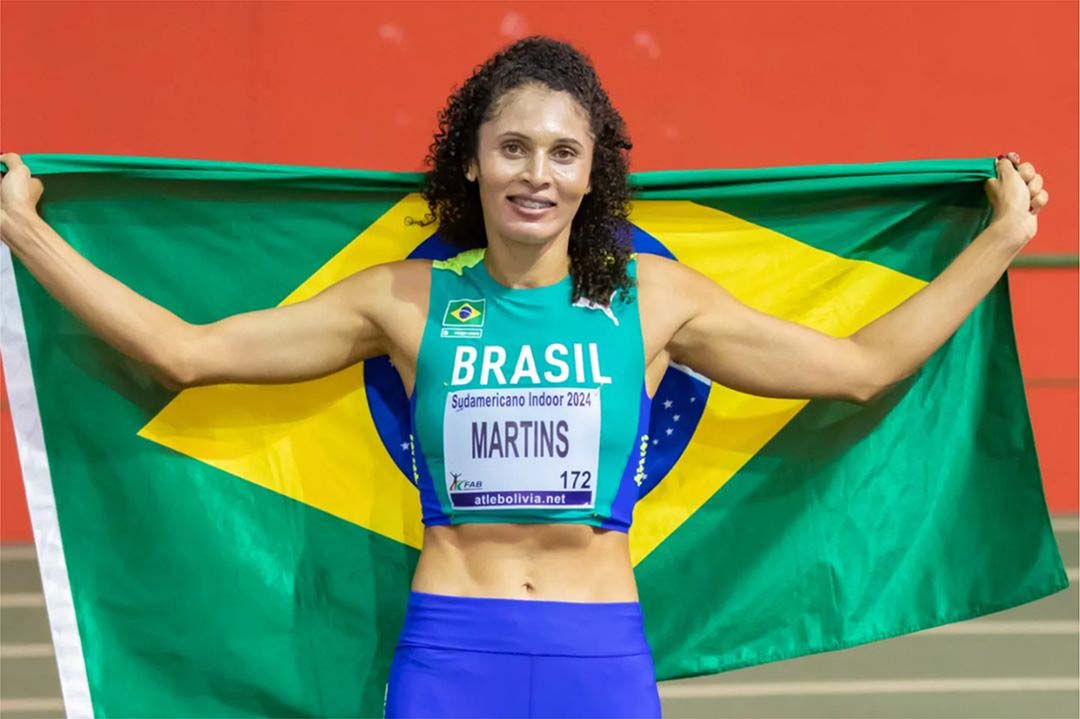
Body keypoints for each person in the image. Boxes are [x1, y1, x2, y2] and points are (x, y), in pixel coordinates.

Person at [0, 35, 1049, 719]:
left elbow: (860, 369)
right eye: (512, 149)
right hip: (453, 651)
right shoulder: (402, 301)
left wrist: (998, 243)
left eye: (560, 153)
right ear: (471, 161)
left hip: (600, 655)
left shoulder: (656, 300)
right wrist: (25, 233)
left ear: (595, 173)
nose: (534, 174)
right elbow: (188, 350)